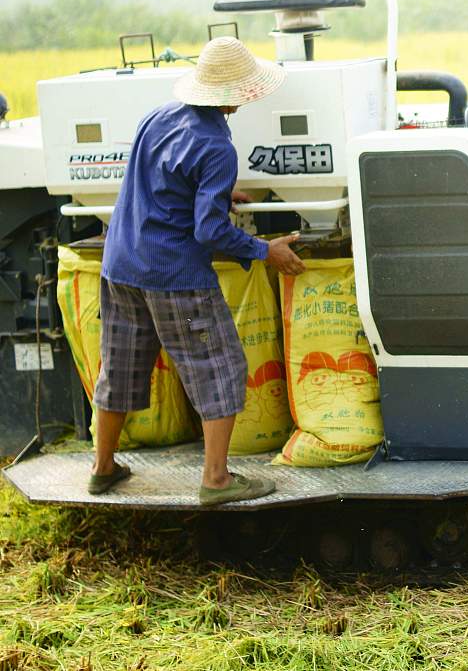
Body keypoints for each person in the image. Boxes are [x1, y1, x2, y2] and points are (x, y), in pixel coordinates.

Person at [88, 36, 306, 505]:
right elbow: (209, 233)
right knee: (218, 366)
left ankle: (102, 468)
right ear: (238, 94)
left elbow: (158, 181)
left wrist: (217, 193)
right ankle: (217, 479)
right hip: (175, 281)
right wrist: (266, 251)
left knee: (121, 366)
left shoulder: (157, 116)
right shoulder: (216, 147)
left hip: (121, 266)